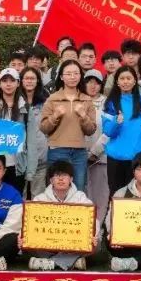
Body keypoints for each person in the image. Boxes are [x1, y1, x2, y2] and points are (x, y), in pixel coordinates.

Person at [23, 161, 96, 271]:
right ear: (51, 180)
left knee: (95, 244)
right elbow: (31, 223)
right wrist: (24, 235)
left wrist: (93, 235)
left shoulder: (81, 197)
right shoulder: (40, 199)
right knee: (26, 242)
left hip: (72, 243)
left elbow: (93, 220)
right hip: (48, 244)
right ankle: (72, 261)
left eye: (65, 175)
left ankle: (51, 263)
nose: (61, 179)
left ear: (71, 179)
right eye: (57, 175)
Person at [40, 60, 96, 193]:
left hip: (79, 152)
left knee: (79, 189)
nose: (72, 77)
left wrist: (83, 116)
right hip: (57, 150)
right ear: (61, 77)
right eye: (68, 74)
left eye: (76, 73)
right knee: (56, 189)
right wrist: (55, 115)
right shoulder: (53, 99)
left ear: (80, 76)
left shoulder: (86, 99)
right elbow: (44, 128)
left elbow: (91, 130)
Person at [102, 66, 141, 194]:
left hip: (138, 158)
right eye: (122, 78)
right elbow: (108, 131)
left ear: (134, 81)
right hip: (115, 157)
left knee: (137, 195)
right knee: (115, 194)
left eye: (128, 78)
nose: (125, 81)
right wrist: (116, 122)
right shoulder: (111, 103)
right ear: (117, 82)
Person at [0, 68, 28, 192]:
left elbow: (31, 139)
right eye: (4, 81)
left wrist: (30, 168)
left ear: (18, 83)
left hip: (17, 163)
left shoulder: (24, 107)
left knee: (15, 198)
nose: (8, 84)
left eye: (12, 81)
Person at [83, 69, 111, 216]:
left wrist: (95, 151)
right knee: (82, 194)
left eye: (96, 83)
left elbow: (110, 130)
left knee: (100, 195)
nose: (93, 86)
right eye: (89, 82)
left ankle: (98, 226)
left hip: (101, 157)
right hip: (79, 156)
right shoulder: (77, 100)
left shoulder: (108, 103)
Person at [18, 67, 49, 196]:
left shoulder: (45, 102)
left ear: (38, 81)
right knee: (20, 194)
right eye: (26, 78)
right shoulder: (16, 101)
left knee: (38, 195)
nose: (29, 81)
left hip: (40, 155)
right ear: (21, 81)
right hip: (19, 157)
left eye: (32, 78)